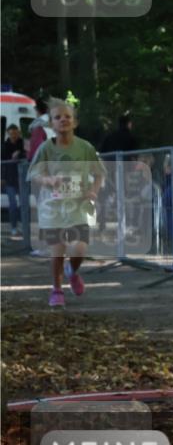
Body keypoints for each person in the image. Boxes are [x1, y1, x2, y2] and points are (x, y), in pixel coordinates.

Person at [27, 99, 106, 307]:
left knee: (79, 250)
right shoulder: (45, 148)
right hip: (53, 208)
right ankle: (57, 289)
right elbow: (34, 174)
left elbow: (99, 173)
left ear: (75, 122)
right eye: (58, 117)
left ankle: (72, 271)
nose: (63, 120)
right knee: (57, 253)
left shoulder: (85, 147)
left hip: (79, 206)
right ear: (51, 124)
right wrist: (49, 180)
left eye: (67, 116)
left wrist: (93, 190)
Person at [3, 125, 25, 238]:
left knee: (23, 204)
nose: (14, 136)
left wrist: (19, 153)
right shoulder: (4, 146)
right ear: (8, 133)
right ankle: (13, 228)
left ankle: (23, 227)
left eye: (15, 133)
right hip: (9, 179)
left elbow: (28, 156)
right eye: (11, 134)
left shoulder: (23, 144)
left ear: (19, 133)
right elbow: (2, 164)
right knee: (13, 204)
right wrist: (2, 178)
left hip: (21, 179)